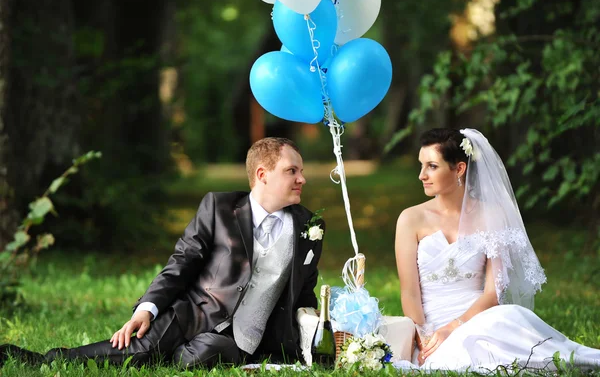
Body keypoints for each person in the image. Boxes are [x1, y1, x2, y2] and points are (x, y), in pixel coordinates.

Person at [0, 137, 325, 368]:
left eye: (300, 171)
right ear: (262, 175)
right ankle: (46, 360)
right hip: (193, 312)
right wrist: (147, 308)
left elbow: (304, 290)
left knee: (198, 358)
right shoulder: (220, 206)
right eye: (291, 171)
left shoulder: (309, 225)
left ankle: (178, 352)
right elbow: (183, 260)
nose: (302, 178)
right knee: (139, 349)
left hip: (245, 337)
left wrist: (311, 337)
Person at [393, 128, 599, 371]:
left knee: (512, 327)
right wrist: (423, 338)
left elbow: (493, 293)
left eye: (432, 166)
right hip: (431, 326)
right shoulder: (410, 219)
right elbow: (410, 293)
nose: (421, 175)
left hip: (478, 317)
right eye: (421, 165)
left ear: (459, 168)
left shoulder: (491, 215)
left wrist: (455, 326)